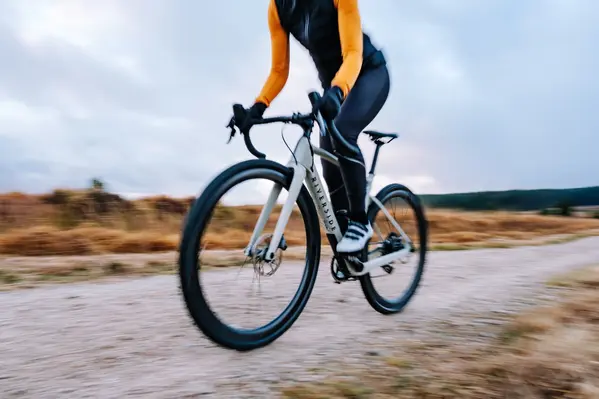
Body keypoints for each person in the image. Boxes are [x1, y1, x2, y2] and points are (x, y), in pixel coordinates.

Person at [237, 0, 390, 254]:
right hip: (334, 88)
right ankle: (350, 251)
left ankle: (360, 223)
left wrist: (338, 91)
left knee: (342, 132)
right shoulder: (278, 8)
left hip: (368, 75)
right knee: (329, 167)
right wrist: (257, 107)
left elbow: (353, 53)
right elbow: (278, 70)